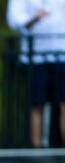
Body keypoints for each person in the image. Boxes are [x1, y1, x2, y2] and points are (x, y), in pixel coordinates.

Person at [7, 0, 65, 147]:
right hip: (35, 56)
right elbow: (15, 20)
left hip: (62, 54)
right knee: (37, 103)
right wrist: (34, 18)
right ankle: (37, 149)